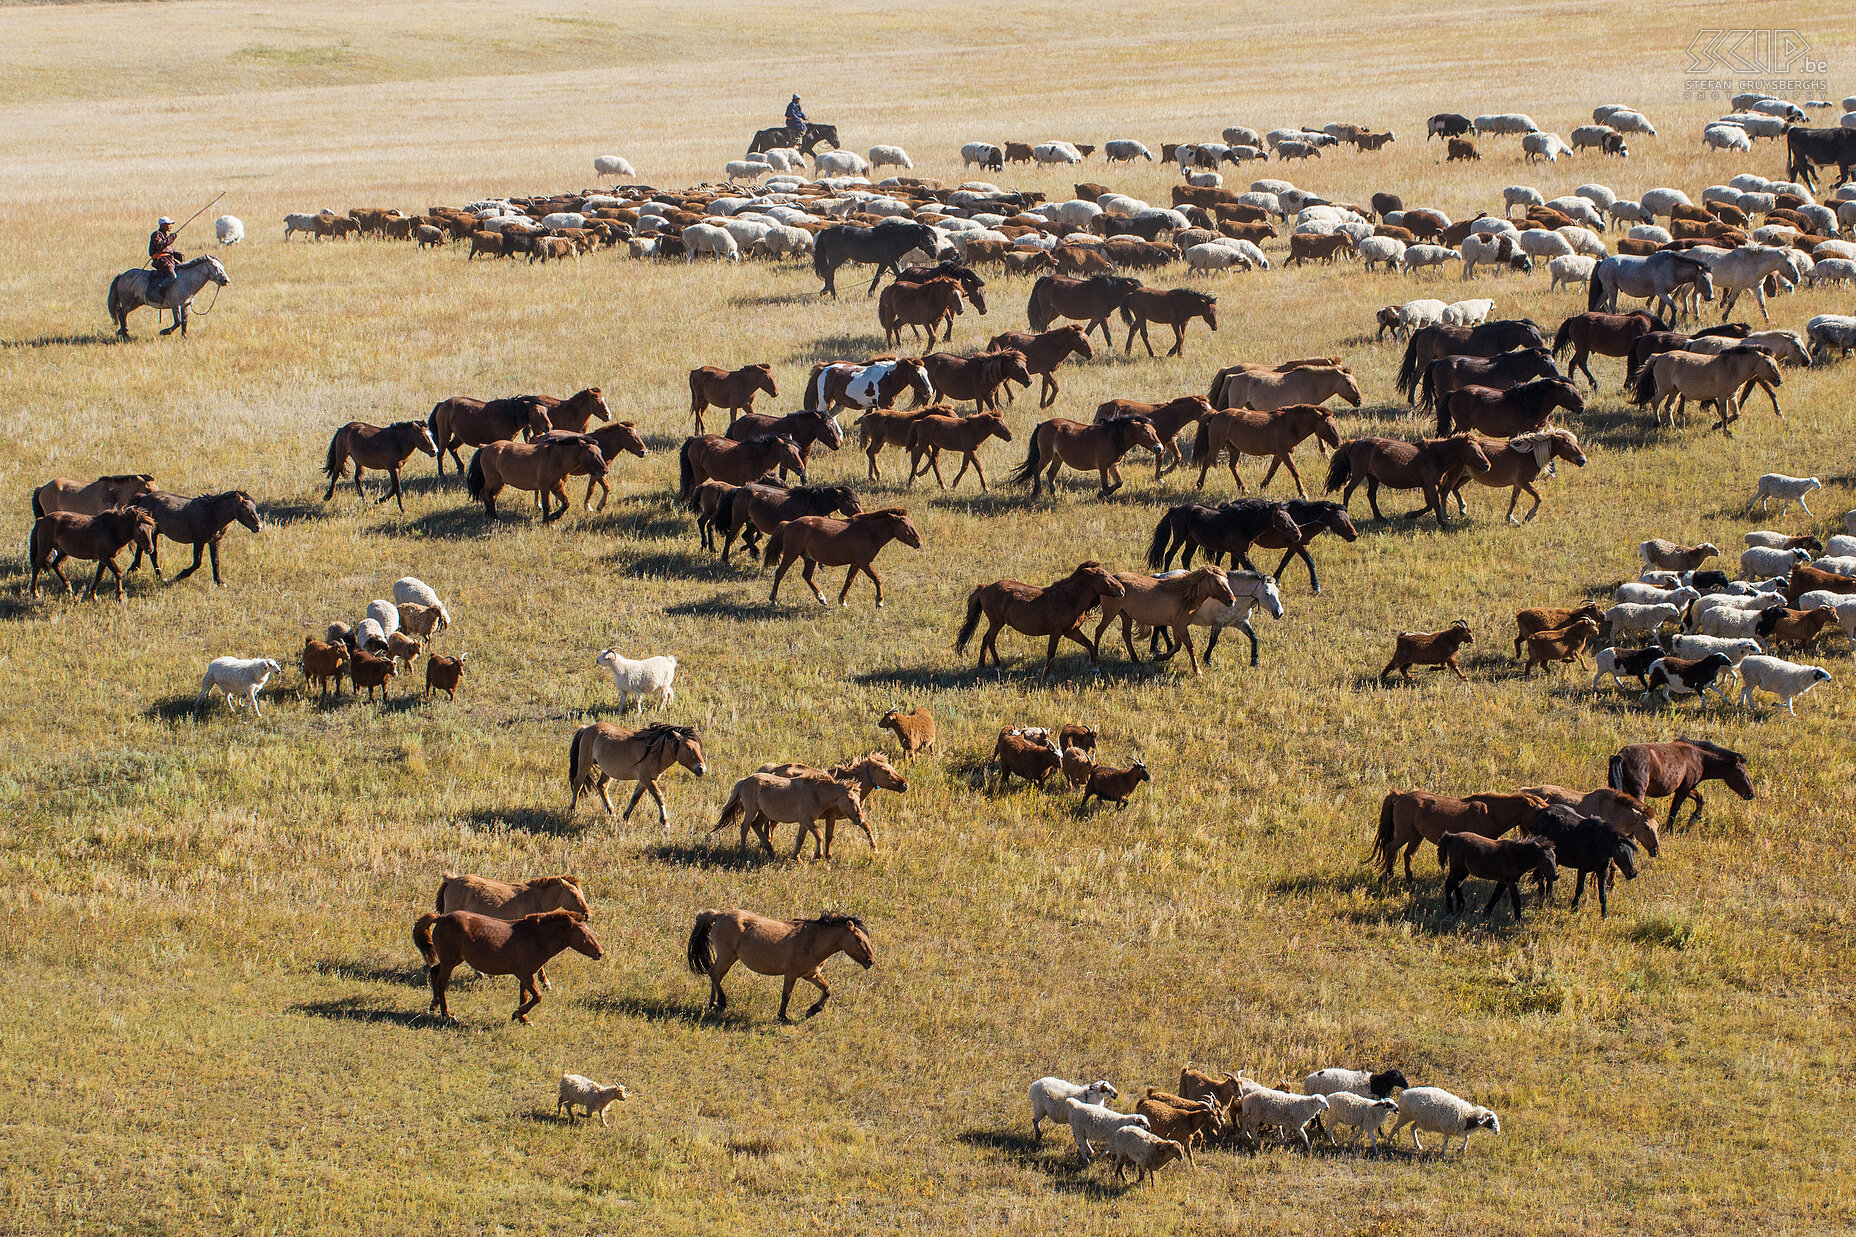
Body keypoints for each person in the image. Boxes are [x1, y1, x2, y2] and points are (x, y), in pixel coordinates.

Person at [149, 216, 183, 301]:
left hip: (169, 260)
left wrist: (177, 254)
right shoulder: (156, 234)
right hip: (161, 261)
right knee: (172, 275)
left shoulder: (165, 235)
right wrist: (171, 238)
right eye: (169, 224)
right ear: (163, 225)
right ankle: (157, 290)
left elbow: (169, 249)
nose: (171, 226)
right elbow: (160, 246)